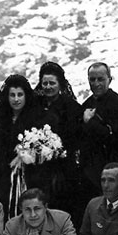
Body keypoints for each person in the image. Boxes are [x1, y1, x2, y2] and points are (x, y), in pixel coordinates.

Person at [0, 75, 56, 216]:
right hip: (1, 172)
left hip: (30, 175)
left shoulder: (39, 117)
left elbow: (44, 146)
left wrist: (26, 155)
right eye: (12, 95)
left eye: (20, 95)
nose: (16, 99)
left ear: (26, 95)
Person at [34, 61, 83, 224]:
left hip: (63, 169)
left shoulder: (72, 108)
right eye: (45, 83)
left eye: (52, 83)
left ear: (60, 84)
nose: (48, 87)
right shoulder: (35, 105)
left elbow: (74, 138)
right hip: (38, 166)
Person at [80, 63, 118, 210]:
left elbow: (114, 137)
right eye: (92, 79)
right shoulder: (86, 105)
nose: (96, 84)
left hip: (112, 165)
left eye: (100, 79)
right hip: (89, 169)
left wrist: (90, 122)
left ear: (109, 79)